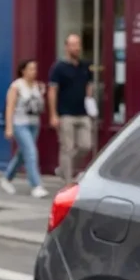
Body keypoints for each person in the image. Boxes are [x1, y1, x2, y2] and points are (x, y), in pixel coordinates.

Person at [47, 34, 94, 183]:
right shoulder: (58, 67)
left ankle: (63, 168)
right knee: (67, 147)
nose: (77, 48)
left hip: (83, 112)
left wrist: (90, 102)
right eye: (73, 45)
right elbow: (52, 91)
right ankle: (68, 181)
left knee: (86, 146)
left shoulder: (85, 65)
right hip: (65, 113)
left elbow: (89, 85)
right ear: (66, 47)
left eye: (78, 44)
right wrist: (53, 115)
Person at [1, 59, 49, 198]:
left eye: (35, 69)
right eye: (31, 69)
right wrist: (9, 127)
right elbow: (10, 108)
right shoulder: (16, 86)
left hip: (34, 124)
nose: (34, 72)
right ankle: (36, 185)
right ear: (23, 71)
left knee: (22, 154)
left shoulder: (37, 86)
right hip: (19, 124)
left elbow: (40, 106)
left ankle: (7, 178)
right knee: (31, 152)